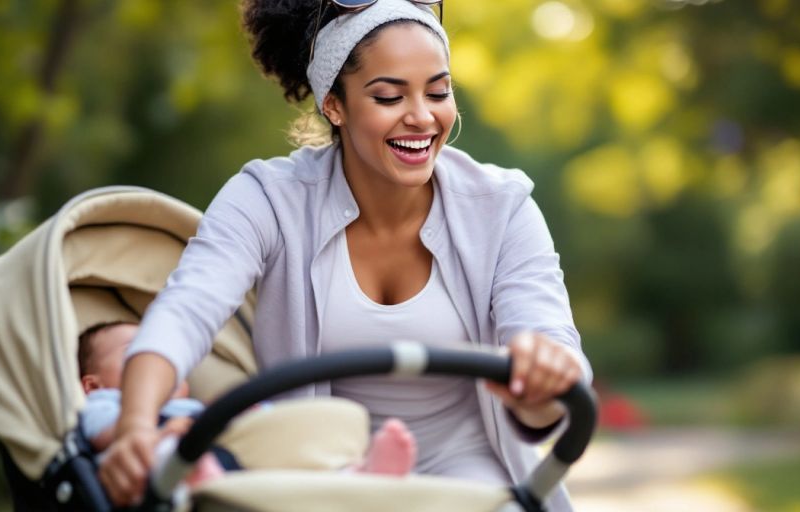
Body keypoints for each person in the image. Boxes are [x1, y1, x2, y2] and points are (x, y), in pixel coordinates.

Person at [99, 1, 592, 510]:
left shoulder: (502, 207)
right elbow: (186, 310)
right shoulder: (268, 198)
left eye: (439, 91)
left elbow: (548, 357)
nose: (422, 116)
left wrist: (541, 382)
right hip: (321, 475)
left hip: (469, 472)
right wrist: (134, 425)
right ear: (334, 103)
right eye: (388, 96)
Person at [79, 321, 417, 482]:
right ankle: (197, 478)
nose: (156, 362)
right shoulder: (105, 403)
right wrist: (162, 432)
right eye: (137, 353)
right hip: (160, 456)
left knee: (305, 437)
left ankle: (355, 474)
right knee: (171, 454)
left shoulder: (193, 405)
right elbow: (105, 435)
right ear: (91, 385)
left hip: (236, 452)